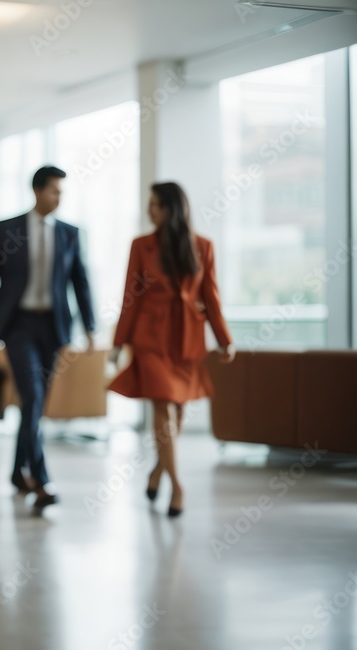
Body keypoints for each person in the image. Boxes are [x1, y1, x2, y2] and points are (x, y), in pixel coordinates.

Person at [108, 182, 235, 518]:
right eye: (149, 204)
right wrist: (118, 342)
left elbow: (211, 296)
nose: (150, 210)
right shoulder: (141, 246)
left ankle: (157, 471)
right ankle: (177, 486)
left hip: (187, 338)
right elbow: (130, 297)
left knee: (177, 412)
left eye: (155, 205)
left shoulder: (203, 246)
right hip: (150, 338)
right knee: (162, 407)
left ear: (171, 209)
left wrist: (224, 339)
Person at [0, 166, 95, 508]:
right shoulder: (8, 229)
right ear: (37, 191)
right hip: (18, 326)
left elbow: (80, 282)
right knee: (31, 395)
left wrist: (89, 328)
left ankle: (18, 471)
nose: (59, 198)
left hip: (53, 327)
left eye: (62, 192)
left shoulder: (70, 234)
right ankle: (42, 478)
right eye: (54, 191)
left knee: (35, 402)